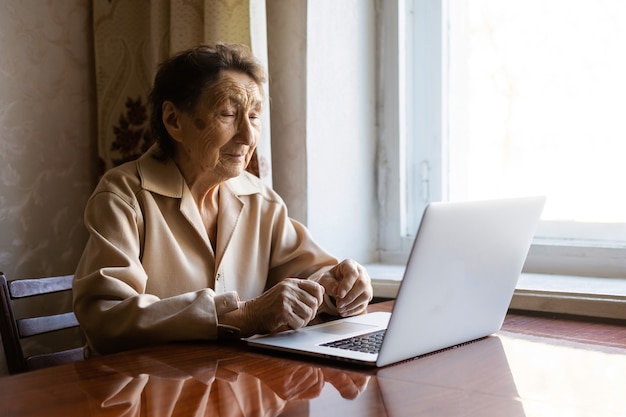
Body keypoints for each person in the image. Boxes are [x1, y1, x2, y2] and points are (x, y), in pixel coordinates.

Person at [73, 43, 373, 356]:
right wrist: (245, 316)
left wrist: (339, 289)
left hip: (235, 386)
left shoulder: (260, 199)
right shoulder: (123, 196)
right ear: (174, 120)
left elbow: (311, 274)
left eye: (254, 116)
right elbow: (106, 317)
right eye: (228, 114)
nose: (247, 136)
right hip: (143, 390)